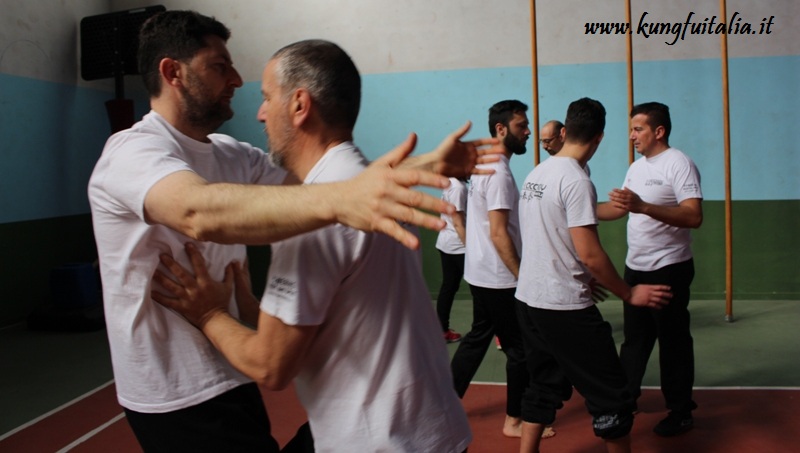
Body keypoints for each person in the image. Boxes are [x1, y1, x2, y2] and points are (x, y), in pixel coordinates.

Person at [88, 11, 497, 452]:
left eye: (265, 93)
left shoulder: (233, 155)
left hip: (233, 369)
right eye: (219, 66)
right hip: (177, 389)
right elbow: (195, 210)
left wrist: (425, 165)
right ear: (174, 73)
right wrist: (346, 201)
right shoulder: (133, 151)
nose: (239, 82)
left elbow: (329, 184)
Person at [515, 97, 672, 453]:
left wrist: (582, 273)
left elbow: (552, 231)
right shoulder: (575, 180)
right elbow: (589, 252)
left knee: (544, 383)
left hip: (529, 300)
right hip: (562, 306)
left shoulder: (539, 172)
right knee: (612, 395)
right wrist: (628, 293)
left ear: (566, 130)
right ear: (600, 138)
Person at [598, 101, 703, 437]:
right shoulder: (636, 167)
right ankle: (625, 400)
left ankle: (681, 410)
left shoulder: (679, 164)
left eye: (638, 128)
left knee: (672, 341)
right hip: (636, 267)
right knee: (635, 340)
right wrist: (577, 208)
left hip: (669, 267)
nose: (632, 135)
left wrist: (644, 206)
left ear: (658, 131)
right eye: (631, 129)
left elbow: (693, 216)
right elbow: (619, 210)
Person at [450, 99, 532, 439]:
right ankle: (514, 420)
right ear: (501, 129)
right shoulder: (497, 172)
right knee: (520, 350)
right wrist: (522, 276)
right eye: (521, 126)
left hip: (481, 274)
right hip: (499, 279)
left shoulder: (485, 166)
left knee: (477, 339)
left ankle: (444, 400)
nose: (527, 132)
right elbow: (498, 232)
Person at [435, 177, 468, 343]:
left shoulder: (451, 183)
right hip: (458, 246)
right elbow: (458, 222)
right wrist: (470, 248)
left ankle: (441, 330)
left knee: (449, 286)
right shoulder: (458, 188)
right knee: (481, 290)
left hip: (447, 243)